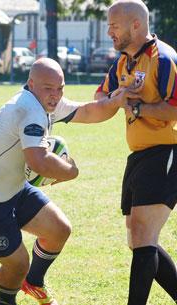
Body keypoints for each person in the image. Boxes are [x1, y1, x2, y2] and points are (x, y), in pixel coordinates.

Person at [0, 57, 142, 305]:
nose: (55, 95)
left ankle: (33, 281)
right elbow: (38, 161)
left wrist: (115, 101)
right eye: (48, 88)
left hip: (11, 188)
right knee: (18, 265)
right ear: (31, 83)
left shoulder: (46, 103)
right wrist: (70, 171)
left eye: (60, 88)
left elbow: (89, 111)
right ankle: (6, 301)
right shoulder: (30, 110)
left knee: (59, 229)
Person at [94, 1, 177, 304]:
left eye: (114, 26)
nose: (109, 31)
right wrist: (118, 97)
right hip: (138, 156)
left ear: (136, 26)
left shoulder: (164, 58)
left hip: (166, 150)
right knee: (138, 239)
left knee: (143, 233)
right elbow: (101, 94)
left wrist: (138, 105)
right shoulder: (122, 62)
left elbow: (175, 106)